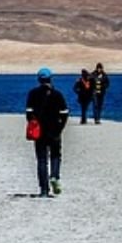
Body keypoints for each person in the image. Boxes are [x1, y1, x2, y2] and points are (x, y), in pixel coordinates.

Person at [26, 67, 70, 197]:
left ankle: (44, 190)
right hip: (54, 131)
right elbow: (65, 113)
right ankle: (55, 176)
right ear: (50, 79)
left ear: (39, 79)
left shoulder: (33, 94)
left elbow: (29, 113)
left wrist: (34, 125)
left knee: (41, 160)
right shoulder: (57, 94)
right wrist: (60, 128)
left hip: (39, 132)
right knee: (56, 156)